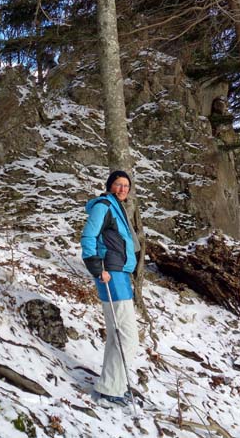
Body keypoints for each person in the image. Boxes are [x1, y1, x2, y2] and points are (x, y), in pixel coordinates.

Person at [80, 170, 140, 408]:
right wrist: (96, 268)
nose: (123, 188)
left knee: (118, 336)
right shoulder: (103, 206)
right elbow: (88, 237)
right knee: (128, 337)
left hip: (120, 274)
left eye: (126, 185)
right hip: (110, 274)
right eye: (118, 184)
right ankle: (110, 389)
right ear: (110, 185)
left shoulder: (117, 207)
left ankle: (113, 385)